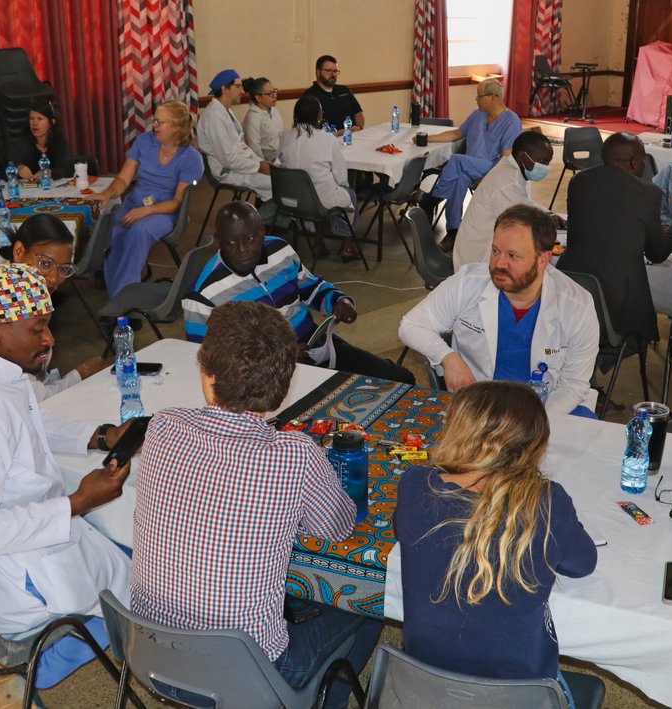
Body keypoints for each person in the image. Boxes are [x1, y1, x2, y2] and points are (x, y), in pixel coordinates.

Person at [132, 299, 383, 709]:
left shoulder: (163, 425)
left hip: (149, 654)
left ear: (206, 371)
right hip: (250, 677)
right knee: (367, 602)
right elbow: (335, 528)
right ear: (282, 387)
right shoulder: (295, 454)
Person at [0, 263, 137, 706]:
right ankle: (20, 669)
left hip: (20, 540)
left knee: (121, 550)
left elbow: (21, 416)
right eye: (38, 329)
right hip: (9, 572)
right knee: (147, 581)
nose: (50, 340)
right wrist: (76, 502)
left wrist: (95, 434)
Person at [396, 380, 597, 706]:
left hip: (425, 689)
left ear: (456, 430)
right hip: (519, 695)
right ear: (534, 447)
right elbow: (584, 563)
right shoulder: (546, 503)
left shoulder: (414, 486)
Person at [399, 204, 600, 416]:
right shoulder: (468, 282)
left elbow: (573, 384)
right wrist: (448, 357)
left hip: (549, 408)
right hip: (482, 406)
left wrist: (537, 422)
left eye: (513, 256)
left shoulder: (577, 305)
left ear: (543, 259)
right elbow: (410, 325)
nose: (499, 264)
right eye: (495, 251)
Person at [183, 202, 415, 384]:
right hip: (263, 376)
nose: (242, 249)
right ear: (218, 241)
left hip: (316, 344)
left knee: (401, 379)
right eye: (232, 243)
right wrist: (275, 360)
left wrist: (337, 299)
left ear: (262, 232)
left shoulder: (279, 249)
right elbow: (208, 361)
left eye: (250, 239)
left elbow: (310, 287)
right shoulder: (203, 295)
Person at [559, 132, 672, 346]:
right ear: (634, 162)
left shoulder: (578, 182)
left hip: (570, 290)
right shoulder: (647, 192)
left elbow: (607, 221)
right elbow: (657, 253)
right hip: (616, 303)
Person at [90, 99, 203, 297]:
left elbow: (177, 202)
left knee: (138, 232)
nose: (154, 126)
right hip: (134, 204)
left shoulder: (191, 158)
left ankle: (123, 303)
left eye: (160, 122)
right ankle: (117, 294)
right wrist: (107, 194)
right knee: (113, 230)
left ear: (176, 127)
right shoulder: (144, 141)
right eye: (155, 120)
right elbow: (124, 178)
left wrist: (146, 211)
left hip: (164, 211)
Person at [2, 213, 110, 400]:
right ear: (18, 251)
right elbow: (31, 399)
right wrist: (80, 374)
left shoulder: (27, 294)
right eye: (45, 264)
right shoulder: (6, 305)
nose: (55, 278)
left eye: (64, 269)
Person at [416, 78, 523, 252]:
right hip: (467, 167)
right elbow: (457, 133)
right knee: (458, 181)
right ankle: (453, 233)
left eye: (479, 96)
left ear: (493, 97)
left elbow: (505, 158)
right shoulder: (477, 115)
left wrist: (487, 178)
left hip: (491, 168)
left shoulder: (511, 121)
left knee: (456, 160)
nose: (476, 100)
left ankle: (430, 201)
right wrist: (427, 138)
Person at [452, 131, 563, 270]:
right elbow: (519, 226)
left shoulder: (513, 169)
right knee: (543, 266)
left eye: (548, 162)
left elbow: (523, 203)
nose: (545, 167)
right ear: (522, 156)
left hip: (489, 248)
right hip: (478, 262)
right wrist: (547, 225)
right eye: (542, 162)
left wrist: (548, 214)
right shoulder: (508, 183)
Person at [278, 95, 360, 261]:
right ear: (319, 116)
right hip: (319, 201)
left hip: (291, 200)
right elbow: (341, 176)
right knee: (346, 193)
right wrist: (341, 186)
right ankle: (347, 247)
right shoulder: (327, 139)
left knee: (319, 189)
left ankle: (318, 243)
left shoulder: (285, 138)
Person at [197, 69, 273, 203]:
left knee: (279, 175)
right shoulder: (213, 116)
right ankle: (266, 219)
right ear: (224, 89)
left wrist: (259, 162)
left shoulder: (225, 111)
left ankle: (266, 216)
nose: (243, 91)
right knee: (277, 183)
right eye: (238, 86)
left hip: (238, 166)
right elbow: (227, 159)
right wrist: (258, 167)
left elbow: (240, 145)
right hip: (226, 172)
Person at [9, 98, 73, 182]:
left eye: (39, 119)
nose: (34, 123)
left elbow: (65, 170)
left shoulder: (59, 140)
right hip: (30, 191)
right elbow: (12, 162)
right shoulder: (23, 139)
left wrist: (49, 172)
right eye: (31, 119)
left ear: (51, 123)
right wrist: (19, 168)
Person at [301, 54, 365, 131]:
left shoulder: (344, 90)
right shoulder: (309, 96)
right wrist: (339, 133)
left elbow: (358, 113)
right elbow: (310, 129)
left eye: (335, 71)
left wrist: (359, 127)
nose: (333, 74)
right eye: (328, 70)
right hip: (328, 140)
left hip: (353, 136)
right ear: (318, 72)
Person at [241, 76, 284, 162]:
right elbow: (255, 149)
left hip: (281, 157)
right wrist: (266, 165)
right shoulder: (252, 117)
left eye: (275, 91)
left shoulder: (274, 111)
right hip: (268, 163)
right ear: (258, 98)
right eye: (270, 93)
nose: (275, 95)